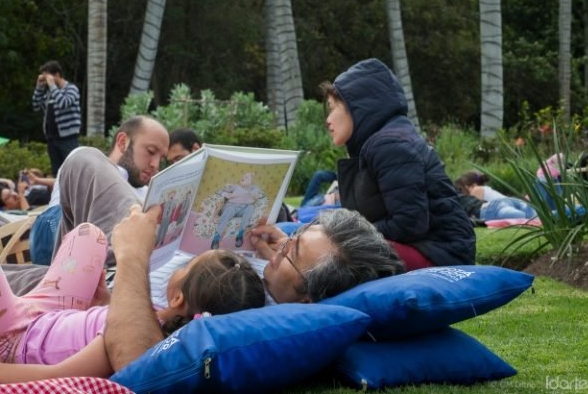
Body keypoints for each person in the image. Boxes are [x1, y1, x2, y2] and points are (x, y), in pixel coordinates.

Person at [0, 213, 265, 382]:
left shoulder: (131, 340)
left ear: (181, 298)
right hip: (48, 312)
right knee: (90, 235)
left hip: (12, 340)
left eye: (188, 264)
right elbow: (88, 327)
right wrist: (101, 302)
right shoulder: (149, 316)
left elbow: (58, 376)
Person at [0, 115, 169, 308]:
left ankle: (115, 270)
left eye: (163, 158)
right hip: (61, 237)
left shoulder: (149, 192)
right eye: (151, 152)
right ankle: (120, 263)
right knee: (84, 158)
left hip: (93, 279)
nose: (156, 164)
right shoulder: (94, 170)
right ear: (123, 141)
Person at [102, 206, 405, 372]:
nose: (282, 245)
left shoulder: (252, 315)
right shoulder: (282, 275)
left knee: (84, 163)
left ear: (307, 296)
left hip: (121, 273)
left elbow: (137, 365)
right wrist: (272, 251)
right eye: (294, 235)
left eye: (292, 251)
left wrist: (133, 255)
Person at [322, 58, 475, 270]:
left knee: (330, 256)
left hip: (440, 254)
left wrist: (349, 236)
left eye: (332, 108)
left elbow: (410, 224)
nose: (328, 119)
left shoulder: (390, 145)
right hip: (424, 248)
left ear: (357, 107)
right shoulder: (379, 143)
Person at [32, 60, 81, 176]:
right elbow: (36, 106)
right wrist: (39, 87)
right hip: (52, 139)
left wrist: (53, 86)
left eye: (47, 76)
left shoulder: (71, 89)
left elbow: (63, 103)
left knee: (72, 171)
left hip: (68, 138)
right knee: (57, 173)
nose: (46, 80)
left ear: (57, 75)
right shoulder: (51, 93)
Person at [210, 172, 265, 249]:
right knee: (229, 210)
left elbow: (256, 196)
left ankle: (240, 235)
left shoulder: (254, 189)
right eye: (243, 176)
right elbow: (223, 190)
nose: (243, 178)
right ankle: (216, 238)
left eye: (246, 177)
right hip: (232, 207)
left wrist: (250, 190)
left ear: (251, 182)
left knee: (250, 208)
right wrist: (226, 189)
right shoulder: (236, 187)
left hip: (243, 209)